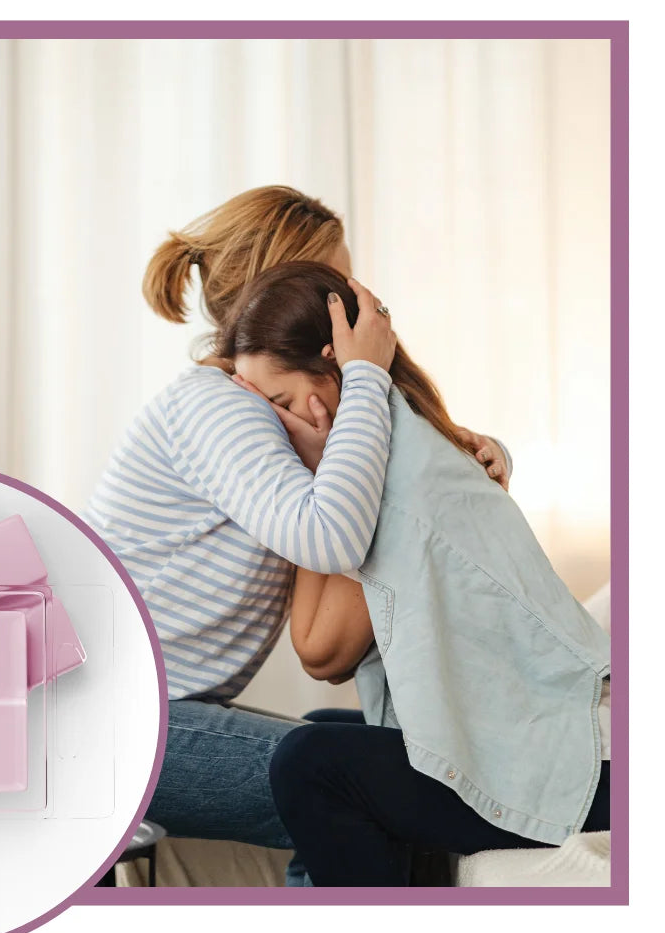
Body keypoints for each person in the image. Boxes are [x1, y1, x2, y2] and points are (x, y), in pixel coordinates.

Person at [83, 186, 510, 866]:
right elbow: (332, 535)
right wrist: (367, 374)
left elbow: (375, 491)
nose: (355, 298)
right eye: (338, 285)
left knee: (351, 759)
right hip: (100, 721)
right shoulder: (220, 409)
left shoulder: (266, 411)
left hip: (148, 709)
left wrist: (473, 451)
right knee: (347, 783)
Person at [222, 261, 610, 886]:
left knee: (309, 762)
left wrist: (317, 479)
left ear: (334, 370)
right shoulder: (391, 439)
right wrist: (321, 482)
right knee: (322, 730)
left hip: (577, 765)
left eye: (281, 403)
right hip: (531, 737)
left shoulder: (396, 469)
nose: (273, 426)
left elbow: (322, 652)